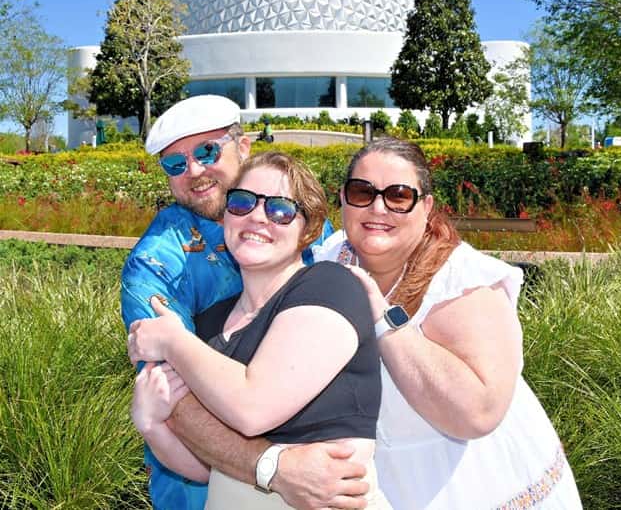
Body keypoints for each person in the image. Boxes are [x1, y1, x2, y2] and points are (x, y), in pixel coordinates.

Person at [312, 137, 583, 509]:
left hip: (474, 488)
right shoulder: (333, 255)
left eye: (398, 196)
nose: (378, 207)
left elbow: (478, 413)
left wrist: (382, 318)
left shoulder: (465, 285)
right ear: (342, 198)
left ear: (425, 207)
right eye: (363, 192)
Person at [121, 95, 355, 510]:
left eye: (207, 151)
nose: (193, 171)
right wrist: (276, 470)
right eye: (174, 164)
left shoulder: (301, 224)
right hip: (202, 492)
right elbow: (173, 400)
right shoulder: (156, 263)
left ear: (244, 146)